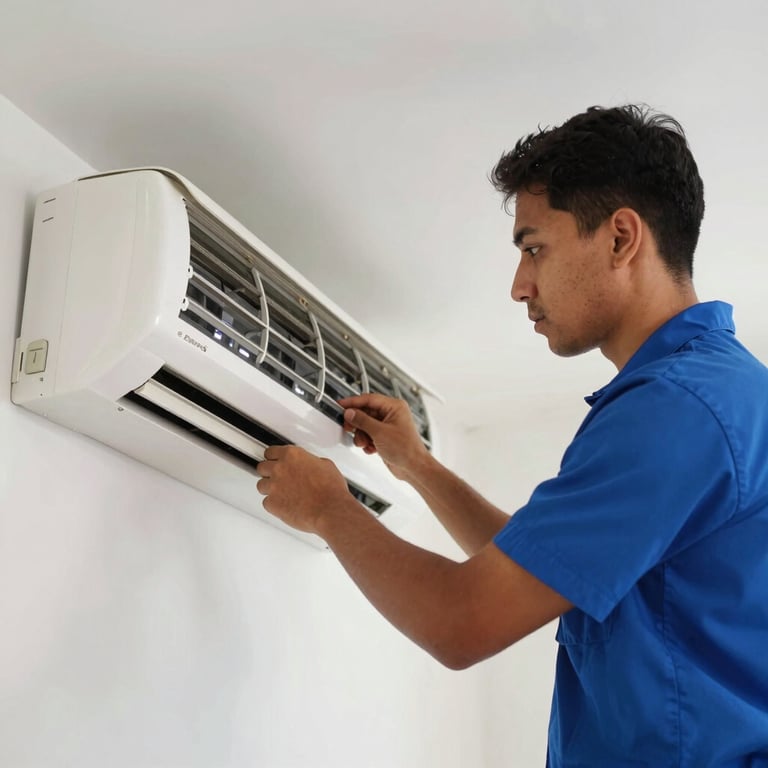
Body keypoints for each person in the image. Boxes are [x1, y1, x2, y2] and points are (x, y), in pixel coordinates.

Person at [255, 105, 768, 766]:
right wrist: (417, 466)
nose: (519, 286)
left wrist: (328, 509)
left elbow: (462, 622)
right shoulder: (719, 393)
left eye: (534, 249)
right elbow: (547, 570)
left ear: (620, 239)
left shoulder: (674, 409)